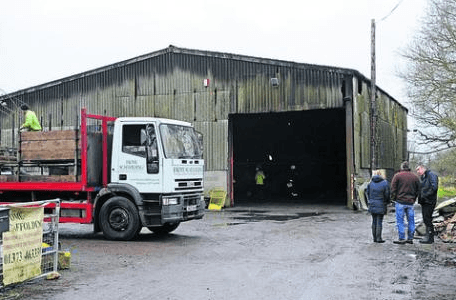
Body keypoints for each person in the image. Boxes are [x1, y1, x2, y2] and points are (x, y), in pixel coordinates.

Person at [390, 161, 421, 244]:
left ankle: (402, 238)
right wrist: (414, 198)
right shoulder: (415, 177)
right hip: (410, 202)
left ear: (402, 167)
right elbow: (419, 190)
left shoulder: (397, 176)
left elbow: (393, 188)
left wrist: (394, 198)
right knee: (411, 221)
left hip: (400, 202)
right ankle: (410, 238)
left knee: (400, 221)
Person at [416, 164, 439, 244]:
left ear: (422, 168)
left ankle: (429, 237)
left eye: (418, 170)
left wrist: (425, 195)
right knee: (426, 219)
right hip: (425, 201)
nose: (417, 172)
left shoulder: (431, 175)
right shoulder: (424, 176)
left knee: (427, 219)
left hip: (429, 201)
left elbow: (434, 187)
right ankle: (427, 236)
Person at [366, 170, 390, 243]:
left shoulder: (370, 183)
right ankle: (379, 238)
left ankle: (374, 238)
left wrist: (370, 201)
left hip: (372, 204)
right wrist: (387, 202)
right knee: (379, 221)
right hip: (381, 204)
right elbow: (387, 194)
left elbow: (367, 193)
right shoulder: (385, 183)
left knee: (374, 221)